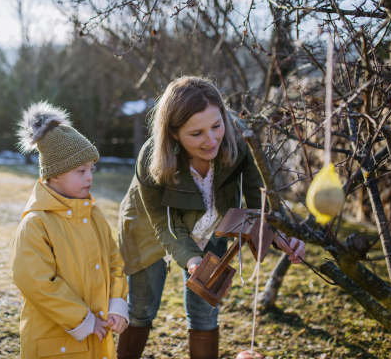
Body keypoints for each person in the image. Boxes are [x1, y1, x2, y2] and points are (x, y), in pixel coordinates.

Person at [116, 76, 306, 359]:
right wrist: (191, 259)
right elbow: (163, 225)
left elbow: (262, 201)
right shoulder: (150, 159)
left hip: (211, 224)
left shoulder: (241, 140)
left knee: (205, 312)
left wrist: (284, 234)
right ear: (173, 133)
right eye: (196, 134)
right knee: (142, 308)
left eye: (216, 126)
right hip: (148, 229)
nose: (211, 139)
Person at [11, 102, 129, 359]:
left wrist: (117, 305)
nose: (90, 177)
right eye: (81, 171)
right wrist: (84, 320)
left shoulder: (93, 215)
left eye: (91, 170)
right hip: (55, 344)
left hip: (96, 340)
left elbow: (113, 263)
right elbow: (37, 283)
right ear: (54, 175)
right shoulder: (36, 224)